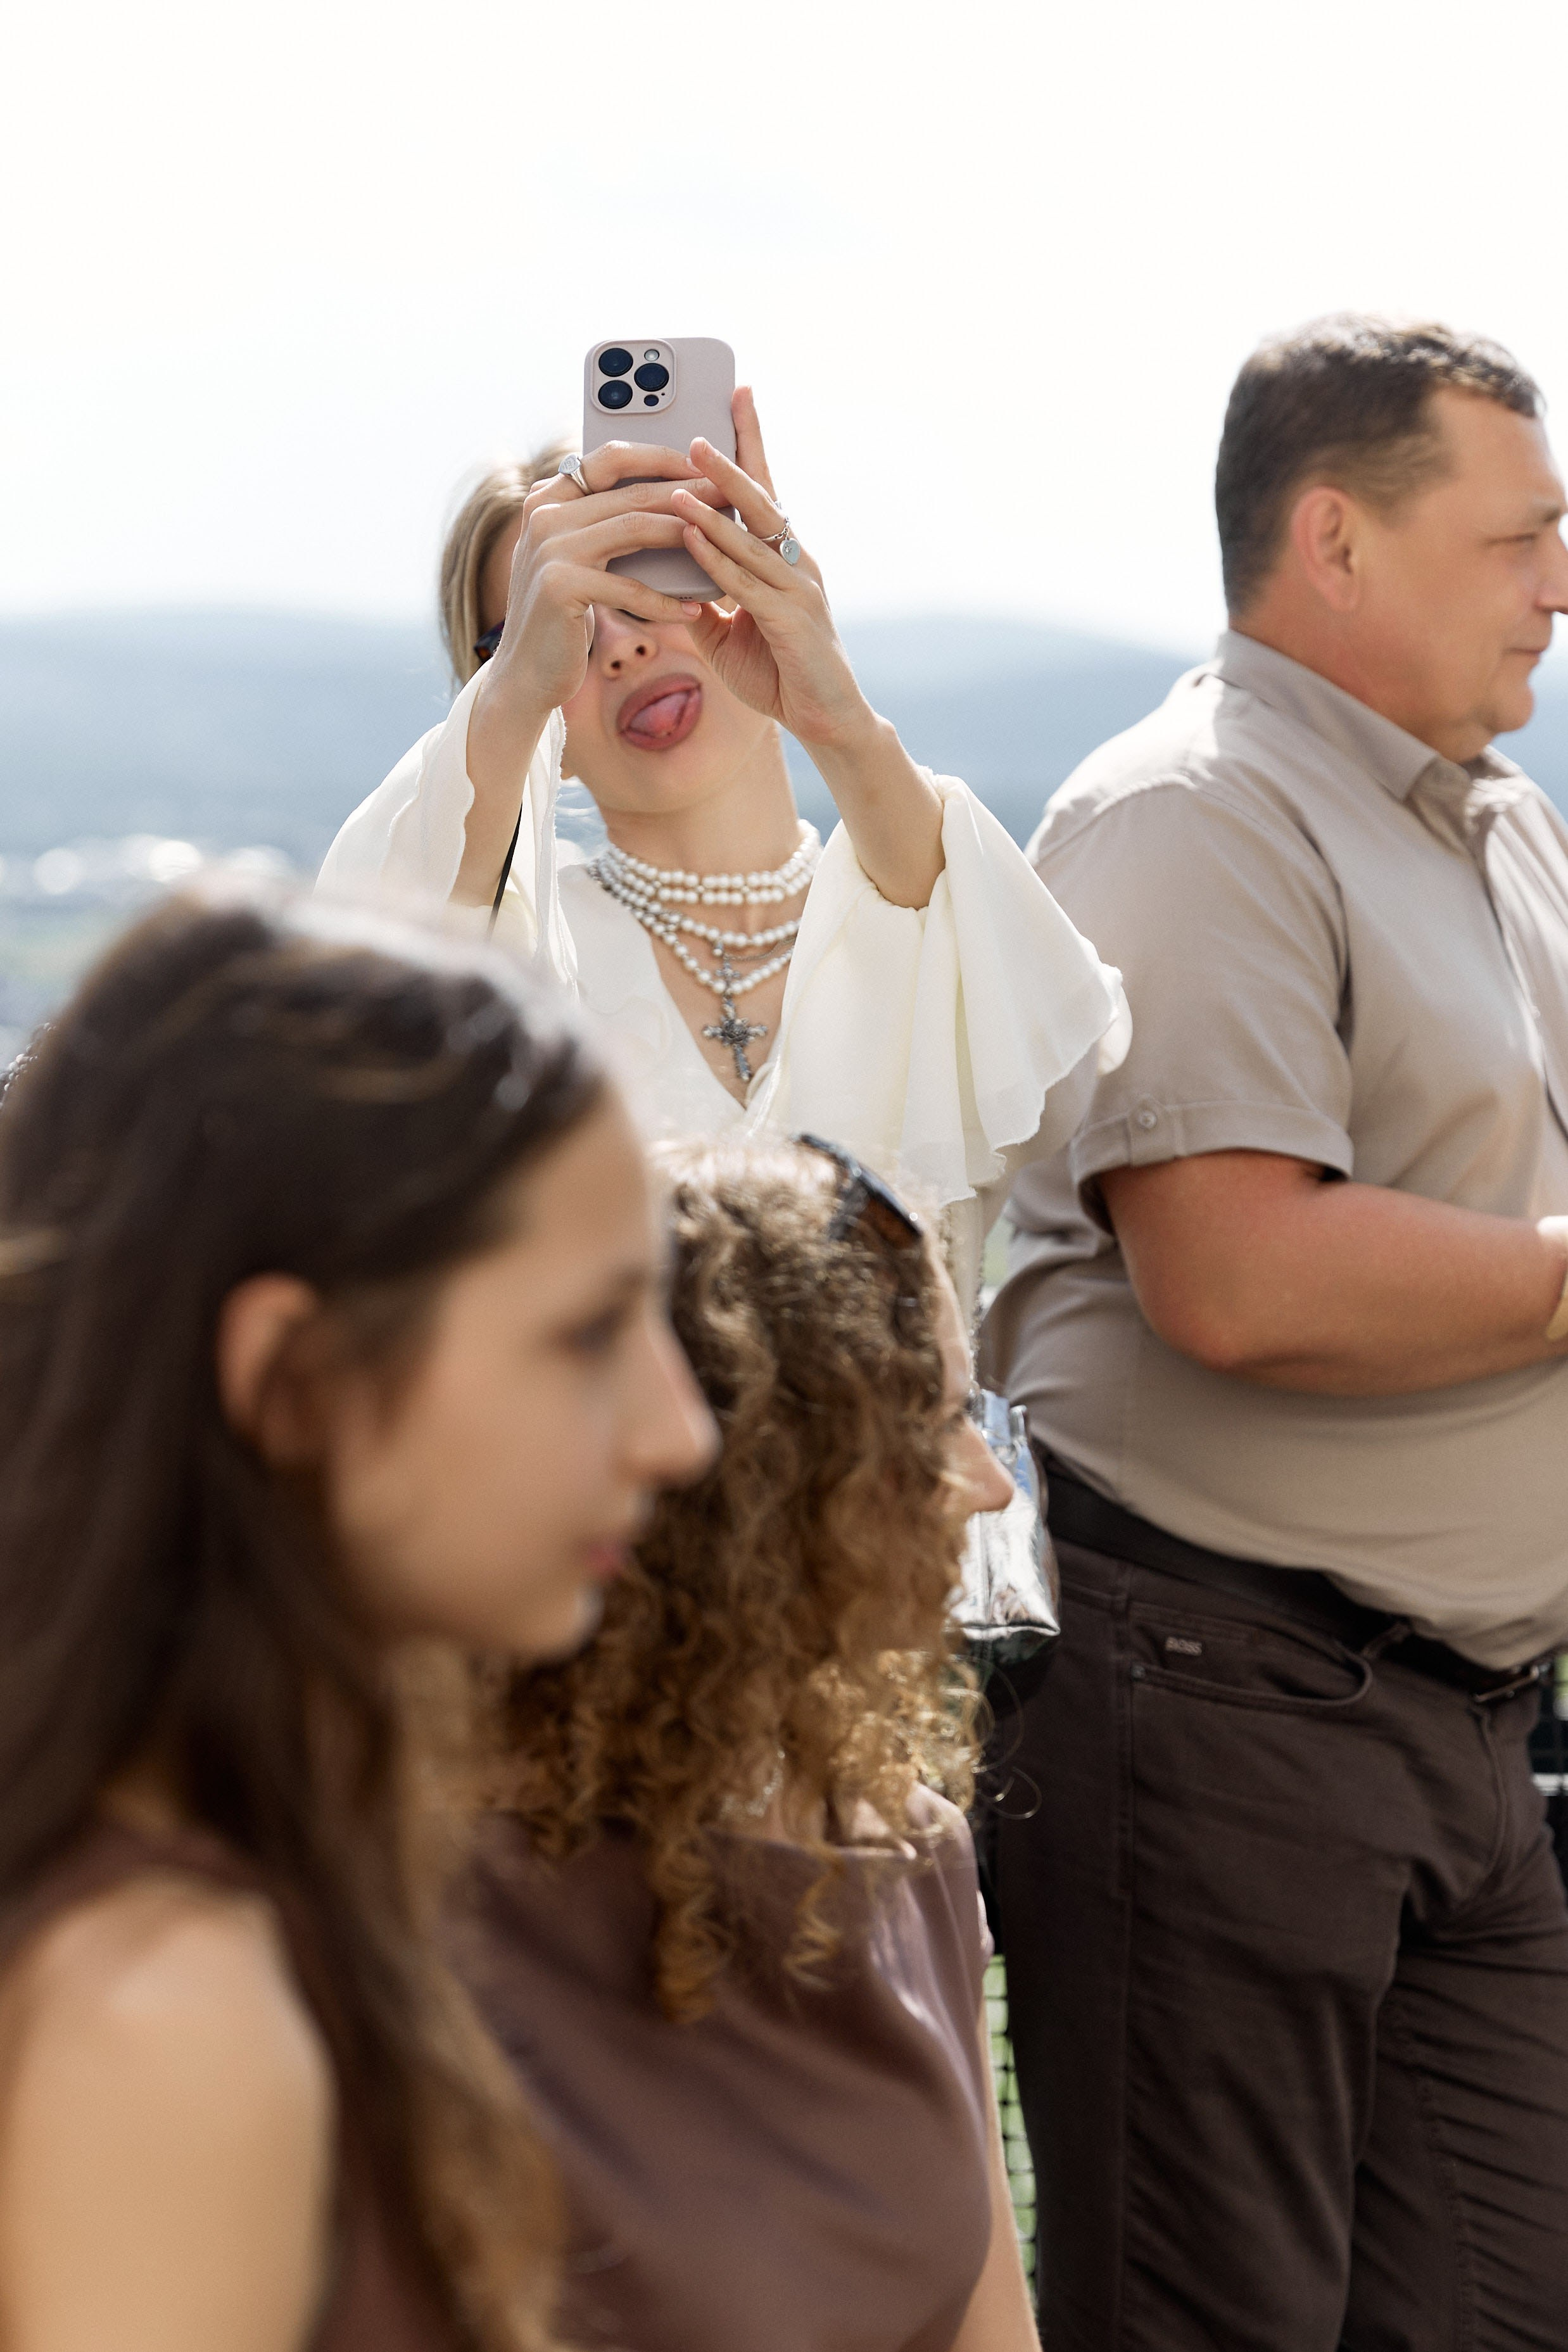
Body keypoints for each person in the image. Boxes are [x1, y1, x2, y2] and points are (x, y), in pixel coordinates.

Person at [980, 315, 1568, 2349]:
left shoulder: (1491, 824)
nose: (1558, 585)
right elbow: (1235, 1278)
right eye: (1520, 537)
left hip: (1459, 1736)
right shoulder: (1193, 816)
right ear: (1334, 538)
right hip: (1222, 1713)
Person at [0, 883, 713, 2352]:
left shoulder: (204, 1874)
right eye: (586, 1334)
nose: (677, 1433)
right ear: (296, 1378)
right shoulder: (160, 2017)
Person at [319, 390, 1127, 1303]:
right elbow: (354, 1013)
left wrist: (844, 725)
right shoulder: (520, 963)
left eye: (647, 575)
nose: (617, 646)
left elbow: (1063, 1083)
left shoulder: (916, 889)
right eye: (564, 620)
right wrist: (512, 700)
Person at [453, 1135, 1039, 2352]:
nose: (989, 1484)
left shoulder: (914, 1858)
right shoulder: (430, 1905)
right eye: (930, 1425)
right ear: (760, 1499)